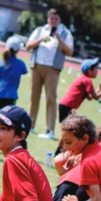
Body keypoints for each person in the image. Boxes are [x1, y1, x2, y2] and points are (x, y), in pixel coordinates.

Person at [26, 8, 74, 139]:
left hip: (53, 68)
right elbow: (28, 45)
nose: (53, 21)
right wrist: (41, 39)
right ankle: (30, 125)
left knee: (50, 98)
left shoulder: (65, 32)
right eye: (51, 18)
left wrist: (59, 39)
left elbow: (70, 51)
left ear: (59, 20)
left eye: (56, 19)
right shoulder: (40, 30)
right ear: (48, 19)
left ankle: (50, 130)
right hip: (36, 66)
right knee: (33, 97)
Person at [53, 58, 101, 155]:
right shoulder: (87, 80)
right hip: (68, 106)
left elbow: (89, 97)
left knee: (67, 130)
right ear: (89, 70)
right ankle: (58, 153)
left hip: (65, 105)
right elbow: (95, 97)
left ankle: (59, 152)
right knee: (67, 131)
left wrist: (100, 88)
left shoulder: (84, 79)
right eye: (96, 69)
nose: (98, 71)